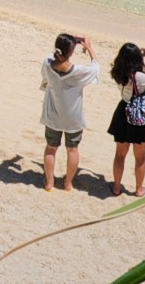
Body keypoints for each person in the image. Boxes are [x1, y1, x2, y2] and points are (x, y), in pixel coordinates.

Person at [38, 32, 99, 191]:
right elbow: (96, 67)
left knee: (51, 148)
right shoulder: (78, 72)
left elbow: (52, 58)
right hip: (73, 118)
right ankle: (68, 183)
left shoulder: (47, 64)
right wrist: (89, 47)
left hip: (53, 116)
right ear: (71, 52)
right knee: (72, 149)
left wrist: (69, 43)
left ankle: (50, 182)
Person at [108, 42, 145, 196]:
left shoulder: (116, 71)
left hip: (123, 111)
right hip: (139, 114)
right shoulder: (139, 77)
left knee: (120, 155)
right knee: (140, 157)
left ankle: (117, 187)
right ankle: (139, 189)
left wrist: (136, 54)